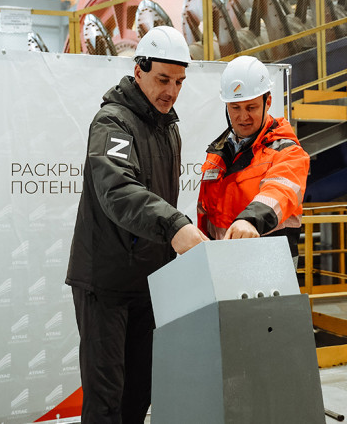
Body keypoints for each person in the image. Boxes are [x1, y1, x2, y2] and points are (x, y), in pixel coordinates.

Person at [66, 25, 208, 424]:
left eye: (179, 82)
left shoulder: (168, 129)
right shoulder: (112, 123)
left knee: (138, 394)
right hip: (106, 284)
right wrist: (174, 226)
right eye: (163, 79)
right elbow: (117, 189)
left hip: (149, 283)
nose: (171, 91)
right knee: (106, 401)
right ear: (138, 70)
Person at [197, 55, 310, 263]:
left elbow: (279, 191)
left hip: (269, 265)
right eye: (235, 108)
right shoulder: (216, 154)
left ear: (268, 102)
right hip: (221, 263)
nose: (243, 117)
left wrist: (250, 221)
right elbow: (206, 217)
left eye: (251, 107)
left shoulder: (288, 152)